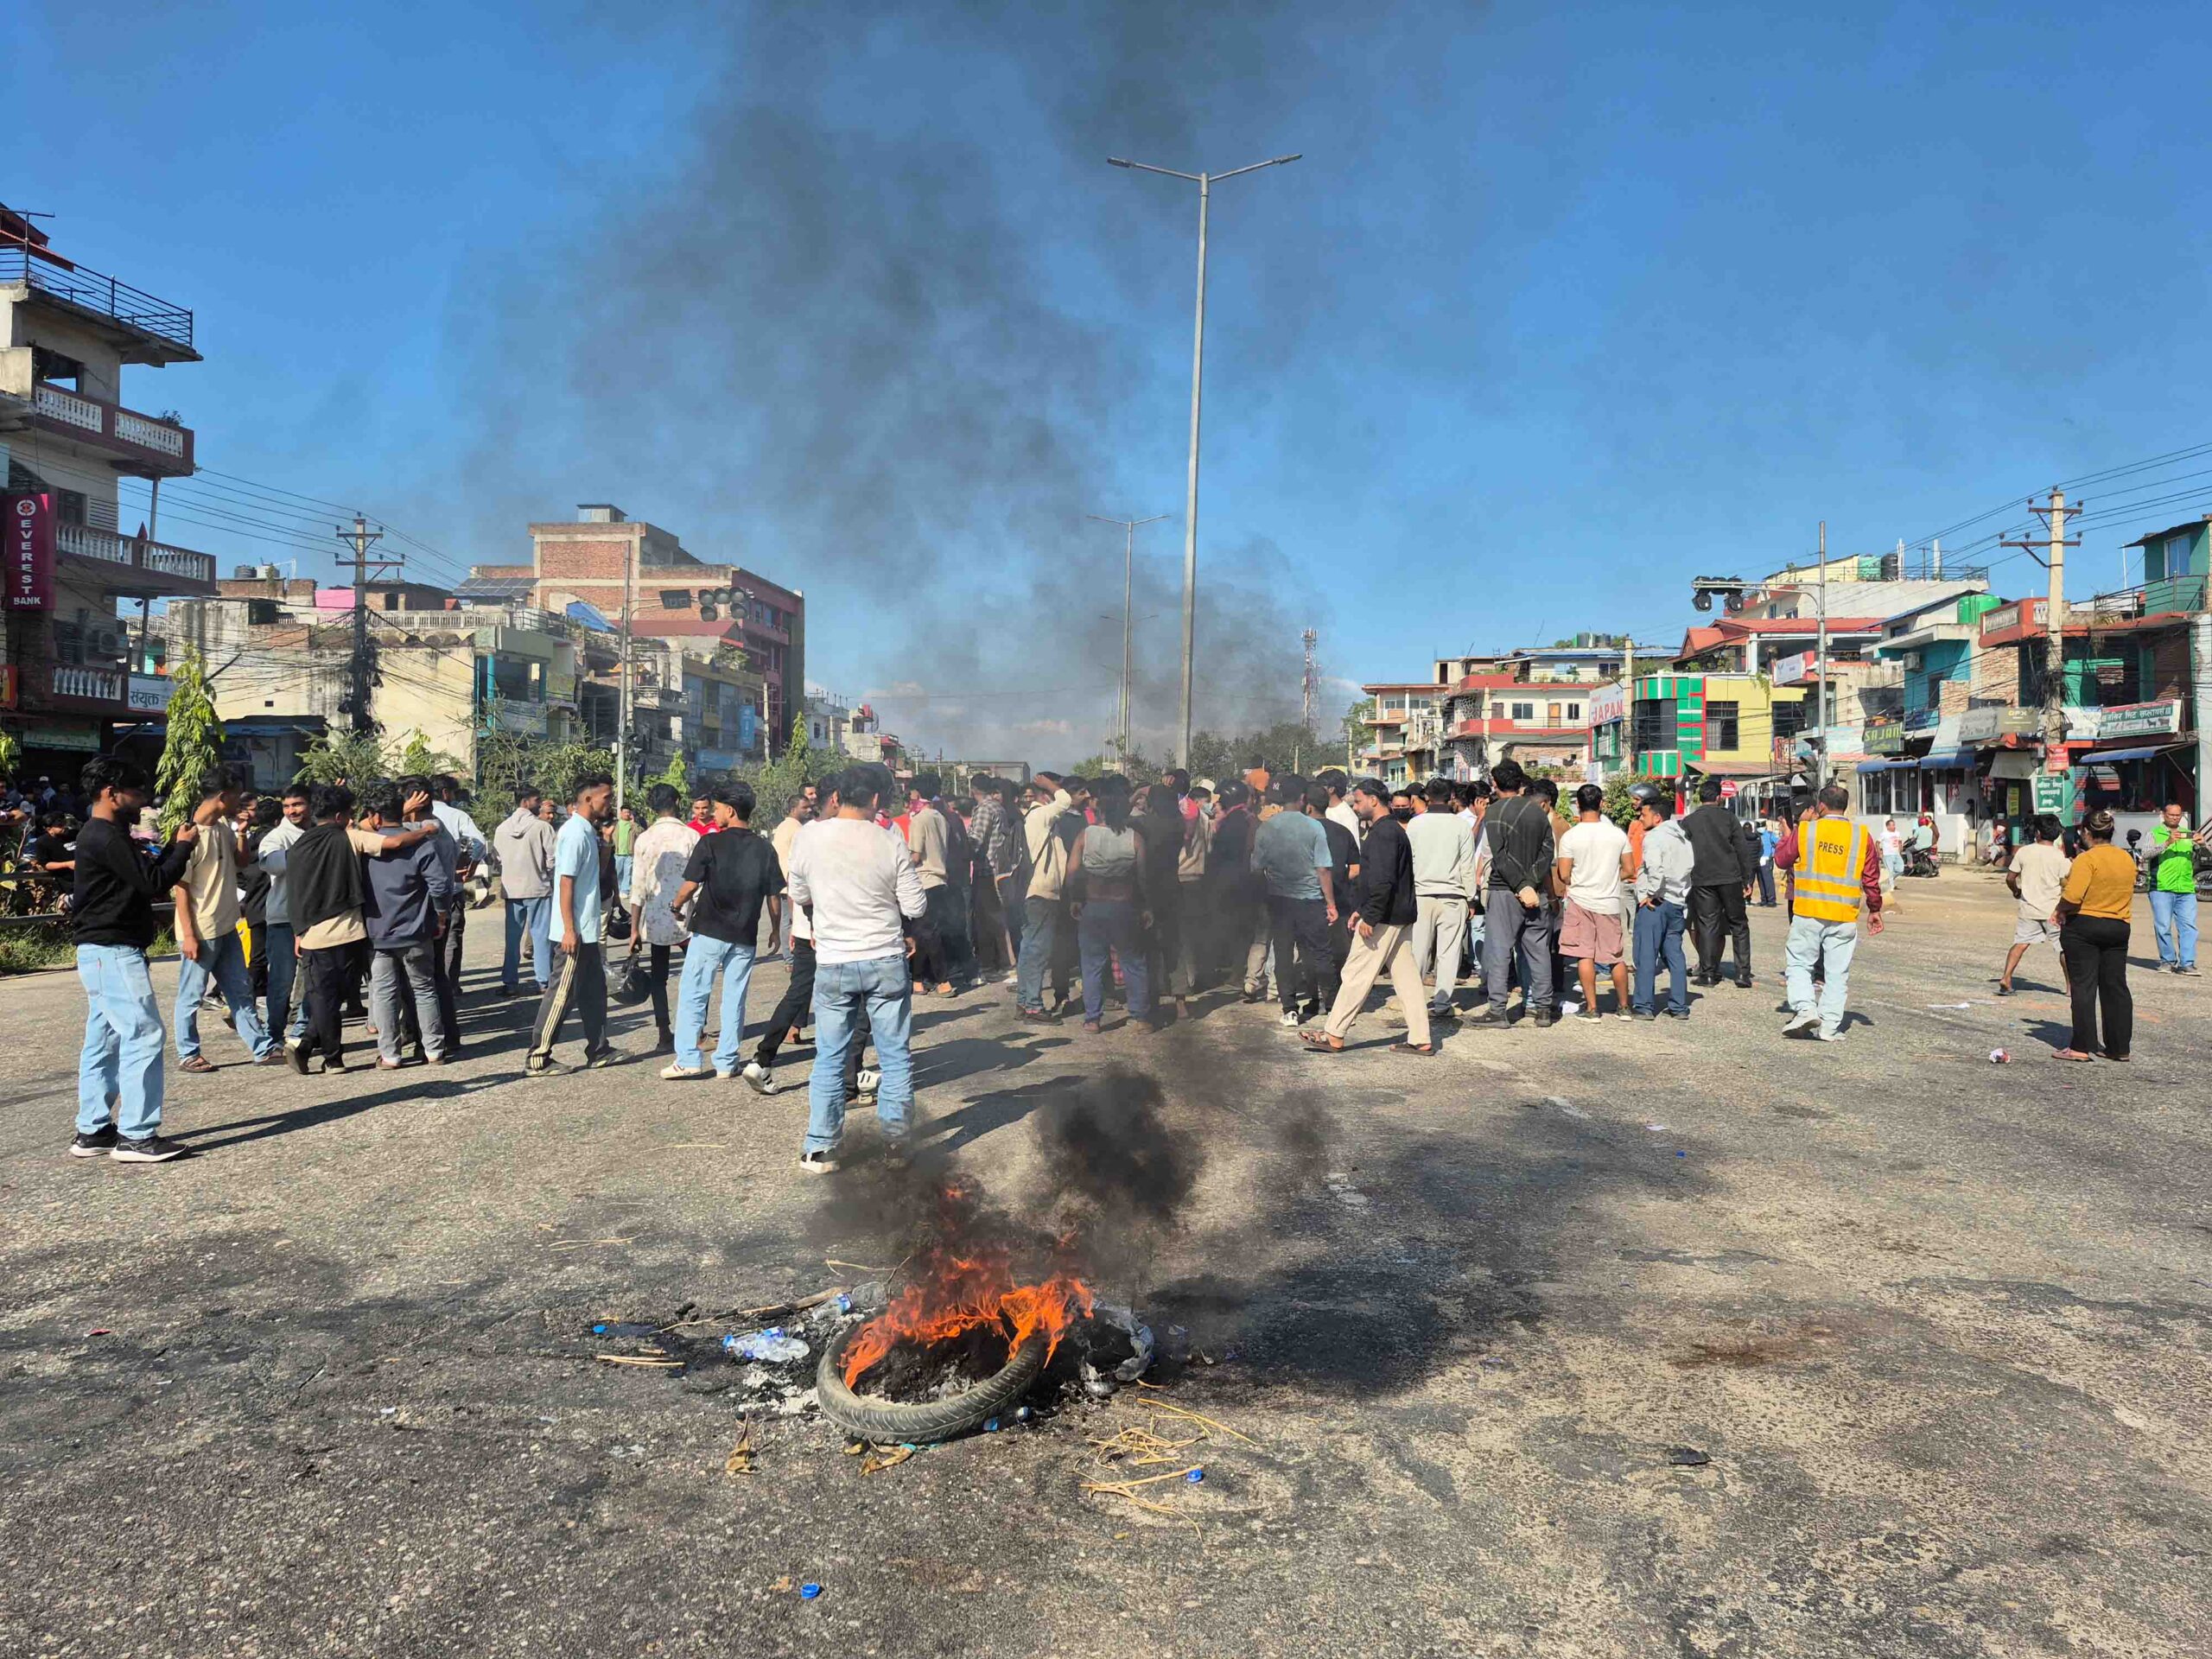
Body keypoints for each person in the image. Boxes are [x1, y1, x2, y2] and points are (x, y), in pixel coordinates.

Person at [786, 763, 926, 1172]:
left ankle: (820, 1148)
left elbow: (798, 892)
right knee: (895, 1055)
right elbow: (916, 905)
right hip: (885, 957)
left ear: (834, 797)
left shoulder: (809, 838)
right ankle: (897, 1147)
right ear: (877, 800)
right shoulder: (889, 840)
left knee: (830, 1056)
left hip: (834, 961)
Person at [69, 757, 201, 1161]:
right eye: (136, 791)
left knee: (104, 1039)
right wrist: (183, 848)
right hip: (113, 949)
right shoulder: (105, 836)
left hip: (98, 950)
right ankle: (137, 1135)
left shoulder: (104, 834)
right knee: (144, 1034)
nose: (143, 800)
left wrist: (174, 848)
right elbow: (152, 883)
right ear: (111, 792)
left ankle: (92, 1130)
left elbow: (145, 875)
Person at [283, 784, 440, 1074]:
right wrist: (425, 831)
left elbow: (295, 892)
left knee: (322, 997)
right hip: (350, 931)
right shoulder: (349, 837)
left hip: (311, 933)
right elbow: (393, 843)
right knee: (365, 992)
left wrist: (298, 931)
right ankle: (316, 1047)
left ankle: (332, 1058)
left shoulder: (298, 847)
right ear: (342, 816)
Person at [663, 780, 784, 1080]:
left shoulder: (711, 843)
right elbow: (773, 895)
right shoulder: (764, 848)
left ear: (730, 811)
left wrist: (675, 905)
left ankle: (689, 1059)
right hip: (744, 935)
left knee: (694, 993)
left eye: (716, 808)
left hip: (709, 930)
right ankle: (727, 1062)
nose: (714, 814)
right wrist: (776, 930)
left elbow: (690, 885)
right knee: (735, 997)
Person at [1301, 779, 1430, 1055]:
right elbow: (1378, 879)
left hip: (1384, 916)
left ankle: (1334, 1033)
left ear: (1374, 800)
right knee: (1406, 979)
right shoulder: (1389, 830)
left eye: (1358, 801)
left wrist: (1369, 916)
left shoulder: (1384, 833)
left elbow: (1383, 881)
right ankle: (1421, 1038)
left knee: (1356, 972)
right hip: (1396, 913)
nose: (1355, 807)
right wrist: (1362, 908)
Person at [169, 766, 282, 1072]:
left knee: (240, 989)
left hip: (226, 923)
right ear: (222, 797)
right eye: (236, 797)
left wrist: (242, 831)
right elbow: (180, 891)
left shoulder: (222, 829)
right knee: (191, 994)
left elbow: (242, 862)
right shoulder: (189, 835)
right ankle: (188, 1053)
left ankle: (262, 1048)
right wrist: (189, 935)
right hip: (201, 929)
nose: (241, 804)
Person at [1775, 783, 1884, 1043]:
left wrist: (1787, 834)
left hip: (1809, 911)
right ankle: (1829, 1027)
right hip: (1844, 915)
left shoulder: (1806, 830)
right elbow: (1871, 877)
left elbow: (1781, 860)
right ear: (1844, 807)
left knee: (1800, 963)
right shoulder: (1861, 835)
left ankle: (1805, 1009)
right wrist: (1875, 909)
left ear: (1820, 806)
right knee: (1837, 973)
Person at [526, 772, 619, 1074]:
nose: (611, 802)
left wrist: (606, 845)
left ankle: (599, 1049)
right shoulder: (574, 833)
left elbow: (594, 877)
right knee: (561, 994)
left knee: (594, 991)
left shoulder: (589, 832)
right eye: (606, 797)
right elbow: (566, 883)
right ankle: (538, 1058)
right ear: (589, 799)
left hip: (588, 929)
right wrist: (568, 929)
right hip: (574, 933)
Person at [359, 782, 454, 1068]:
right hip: (416, 932)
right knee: (424, 989)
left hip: (378, 934)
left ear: (374, 817)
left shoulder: (365, 846)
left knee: (384, 993)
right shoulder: (420, 844)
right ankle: (435, 1051)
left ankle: (390, 1055)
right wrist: (440, 914)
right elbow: (440, 884)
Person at [1471, 760, 1557, 1027]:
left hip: (1504, 889)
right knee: (1538, 950)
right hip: (1537, 891)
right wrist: (1531, 884)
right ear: (1520, 782)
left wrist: (1520, 885)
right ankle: (1543, 1009)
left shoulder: (1494, 813)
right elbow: (1547, 851)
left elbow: (1500, 856)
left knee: (1499, 949)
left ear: (1495, 785)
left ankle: (1498, 1010)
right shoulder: (1538, 813)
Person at [1249, 779, 1338, 1028]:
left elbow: (1257, 867)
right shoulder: (1314, 828)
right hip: (1311, 900)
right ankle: (1331, 1006)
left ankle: (1289, 1009)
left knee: (1284, 954)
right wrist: (1331, 904)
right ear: (1302, 799)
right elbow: (1323, 869)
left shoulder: (1266, 828)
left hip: (1279, 901)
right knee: (1321, 953)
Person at [1071, 779, 1156, 1033]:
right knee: (1134, 962)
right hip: (1125, 908)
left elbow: (1072, 872)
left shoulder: (1085, 835)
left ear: (1101, 809)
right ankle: (1140, 1017)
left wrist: (1075, 899)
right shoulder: (1135, 838)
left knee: (1092, 963)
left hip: (1093, 907)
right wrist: (1146, 907)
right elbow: (1143, 878)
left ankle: (1093, 1019)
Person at [2054, 809, 2136, 1062]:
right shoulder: (2126, 858)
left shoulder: (2086, 859)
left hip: (2085, 926)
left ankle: (2081, 1047)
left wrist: (2059, 910)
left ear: (2087, 832)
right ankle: (2118, 1047)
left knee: (2084, 986)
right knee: (2116, 987)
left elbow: (2074, 896)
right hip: (2118, 926)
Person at [626, 784, 701, 1053]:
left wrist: (635, 928)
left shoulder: (644, 839)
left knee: (659, 978)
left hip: (656, 919)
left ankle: (663, 1032)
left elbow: (638, 888)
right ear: (677, 802)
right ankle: (697, 1031)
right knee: (695, 976)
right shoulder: (691, 836)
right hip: (687, 919)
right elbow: (699, 882)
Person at [1557, 783, 1633, 1020]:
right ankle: (1623, 1007)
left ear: (1577, 805)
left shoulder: (1571, 836)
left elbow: (1564, 874)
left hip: (1580, 900)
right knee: (1615, 956)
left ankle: (1592, 1009)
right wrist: (1610, 877)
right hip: (1609, 901)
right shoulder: (1617, 834)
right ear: (1601, 804)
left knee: (1584, 955)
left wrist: (1580, 878)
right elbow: (1630, 869)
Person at [1405, 777, 1477, 1021]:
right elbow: (1467, 865)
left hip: (1421, 895)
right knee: (1448, 952)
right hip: (1453, 897)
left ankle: (1412, 1002)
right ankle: (1443, 1003)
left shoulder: (1415, 825)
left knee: (1418, 951)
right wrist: (1471, 898)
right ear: (1451, 798)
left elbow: (1408, 863)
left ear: (1426, 797)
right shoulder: (1461, 826)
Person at [253, 785, 314, 1047]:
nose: (292, 811)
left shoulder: (319, 831)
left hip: (316, 919)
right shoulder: (276, 837)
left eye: (298, 804)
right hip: (283, 919)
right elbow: (272, 863)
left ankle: (301, 1032)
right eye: (288, 806)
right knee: (281, 982)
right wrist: (313, 851)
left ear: (310, 804)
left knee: (313, 981)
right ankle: (274, 1034)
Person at [1681, 779, 1757, 988]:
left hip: (1702, 879)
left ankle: (1708, 974)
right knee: (1739, 924)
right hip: (1730, 877)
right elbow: (1741, 848)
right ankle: (1742, 974)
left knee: (1707, 925)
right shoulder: (1729, 818)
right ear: (1718, 797)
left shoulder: (1689, 821)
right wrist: (1747, 878)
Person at [1630, 793, 1694, 1020]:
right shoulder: (1683, 839)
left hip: (1656, 903)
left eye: (1644, 813)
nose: (1641, 817)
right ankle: (1679, 1006)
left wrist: (1650, 893)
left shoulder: (1654, 837)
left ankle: (1644, 1005)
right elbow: (1689, 871)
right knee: (1674, 955)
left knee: (1646, 953)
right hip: (1677, 901)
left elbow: (1655, 868)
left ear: (1657, 817)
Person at [1016, 774, 1075, 1020]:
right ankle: (1033, 1005)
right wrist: (1052, 786)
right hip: (1041, 893)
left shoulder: (1035, 818)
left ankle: (1024, 1001)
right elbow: (1065, 801)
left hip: (1035, 892)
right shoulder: (1041, 814)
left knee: (1029, 949)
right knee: (1038, 950)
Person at [1997, 814, 2069, 997]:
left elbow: (2010, 878)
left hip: (2028, 908)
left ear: (2037, 833)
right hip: (2053, 910)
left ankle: (2006, 977)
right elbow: (2067, 881)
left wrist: (2016, 891)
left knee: (2020, 944)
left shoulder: (2024, 852)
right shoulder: (2059, 856)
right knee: (2063, 949)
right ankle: (2071, 987)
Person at [903, 772, 963, 996]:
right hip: (940, 880)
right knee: (924, 934)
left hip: (924, 880)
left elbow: (916, 856)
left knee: (927, 934)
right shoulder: (941, 817)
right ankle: (918, 980)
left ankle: (941, 979)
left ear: (917, 792)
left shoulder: (920, 819)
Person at [494, 785, 556, 997]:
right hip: (538, 887)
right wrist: (547, 875)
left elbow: (498, 859)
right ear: (525, 802)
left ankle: (510, 982)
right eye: (536, 800)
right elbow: (552, 858)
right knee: (541, 937)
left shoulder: (501, 828)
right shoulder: (542, 828)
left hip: (512, 889)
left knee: (512, 938)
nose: (539, 803)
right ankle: (543, 981)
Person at [2145, 799, 2202, 976]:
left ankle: (2187, 963)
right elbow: (2146, 854)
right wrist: (2167, 843)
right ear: (2163, 815)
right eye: (2171, 815)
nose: (2175, 818)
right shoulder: (2154, 833)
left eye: (2178, 815)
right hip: (2161, 887)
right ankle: (2167, 961)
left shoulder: (2188, 834)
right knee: (2163, 926)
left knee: (2189, 926)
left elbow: (2202, 854)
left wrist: (2202, 843)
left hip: (2185, 887)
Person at [769, 784, 817, 963]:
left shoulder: (785, 826)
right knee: (789, 921)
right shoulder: (796, 828)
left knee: (787, 920)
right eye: (804, 808)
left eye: (809, 807)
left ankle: (789, 957)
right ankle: (789, 958)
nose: (808, 810)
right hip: (789, 881)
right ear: (792, 809)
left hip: (785, 880)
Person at [612, 804, 639, 919]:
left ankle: (625, 891)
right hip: (618, 853)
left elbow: (640, 832)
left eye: (629, 812)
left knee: (627, 872)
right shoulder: (616, 825)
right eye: (625, 812)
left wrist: (633, 823)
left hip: (629, 853)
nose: (627, 814)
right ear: (621, 813)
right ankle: (616, 891)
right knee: (617, 873)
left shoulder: (632, 825)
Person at [1755, 817, 1780, 906]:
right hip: (1758, 860)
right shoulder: (1756, 835)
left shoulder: (1769, 835)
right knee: (1761, 880)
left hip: (1767, 860)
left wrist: (1773, 853)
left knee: (1768, 880)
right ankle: (1764, 899)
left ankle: (1771, 900)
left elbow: (1779, 843)